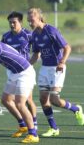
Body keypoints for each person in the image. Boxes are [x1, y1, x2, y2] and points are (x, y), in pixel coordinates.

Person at [27, 8, 84, 137]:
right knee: (43, 99)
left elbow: (67, 47)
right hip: (45, 69)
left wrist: (62, 62)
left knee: (54, 100)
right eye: (28, 21)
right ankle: (54, 128)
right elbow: (36, 54)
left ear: (40, 18)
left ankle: (76, 109)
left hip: (57, 68)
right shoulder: (34, 35)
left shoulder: (51, 30)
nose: (30, 23)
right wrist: (27, 65)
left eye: (32, 20)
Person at [0, 11, 38, 136]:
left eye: (14, 22)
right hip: (11, 71)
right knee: (7, 99)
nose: (12, 25)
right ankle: (23, 125)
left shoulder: (28, 34)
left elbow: (36, 52)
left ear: (21, 22)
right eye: (10, 23)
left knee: (28, 100)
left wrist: (29, 65)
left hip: (25, 72)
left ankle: (34, 125)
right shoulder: (6, 36)